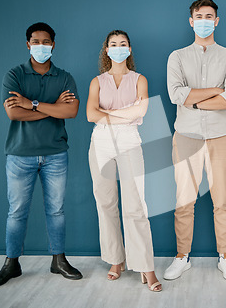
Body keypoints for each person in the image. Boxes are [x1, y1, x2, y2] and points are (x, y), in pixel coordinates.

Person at [0, 22, 82, 288]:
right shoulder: (14, 75)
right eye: (36, 42)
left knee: (57, 211)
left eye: (46, 41)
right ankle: (11, 263)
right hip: (20, 154)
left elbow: (71, 112)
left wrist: (34, 104)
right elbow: (14, 113)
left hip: (55, 153)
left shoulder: (65, 77)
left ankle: (58, 260)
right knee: (16, 212)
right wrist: (53, 108)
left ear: (54, 44)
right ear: (28, 44)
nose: (42, 46)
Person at [164, 0, 226, 281]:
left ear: (217, 21)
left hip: (222, 137)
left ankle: (225, 257)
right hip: (186, 136)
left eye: (209, 16)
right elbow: (176, 94)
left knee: (223, 200)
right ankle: (182, 257)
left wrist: (193, 99)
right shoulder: (178, 56)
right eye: (199, 16)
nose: (204, 20)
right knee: (184, 201)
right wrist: (213, 91)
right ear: (191, 21)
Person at [86, 30, 161, 292]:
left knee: (136, 206)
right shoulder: (97, 81)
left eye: (123, 44)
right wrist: (123, 114)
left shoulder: (140, 79)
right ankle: (115, 260)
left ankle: (145, 267)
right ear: (106, 50)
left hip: (129, 142)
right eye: (113, 44)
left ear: (129, 49)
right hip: (101, 143)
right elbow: (89, 115)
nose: (118, 48)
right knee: (106, 202)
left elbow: (141, 111)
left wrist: (108, 113)